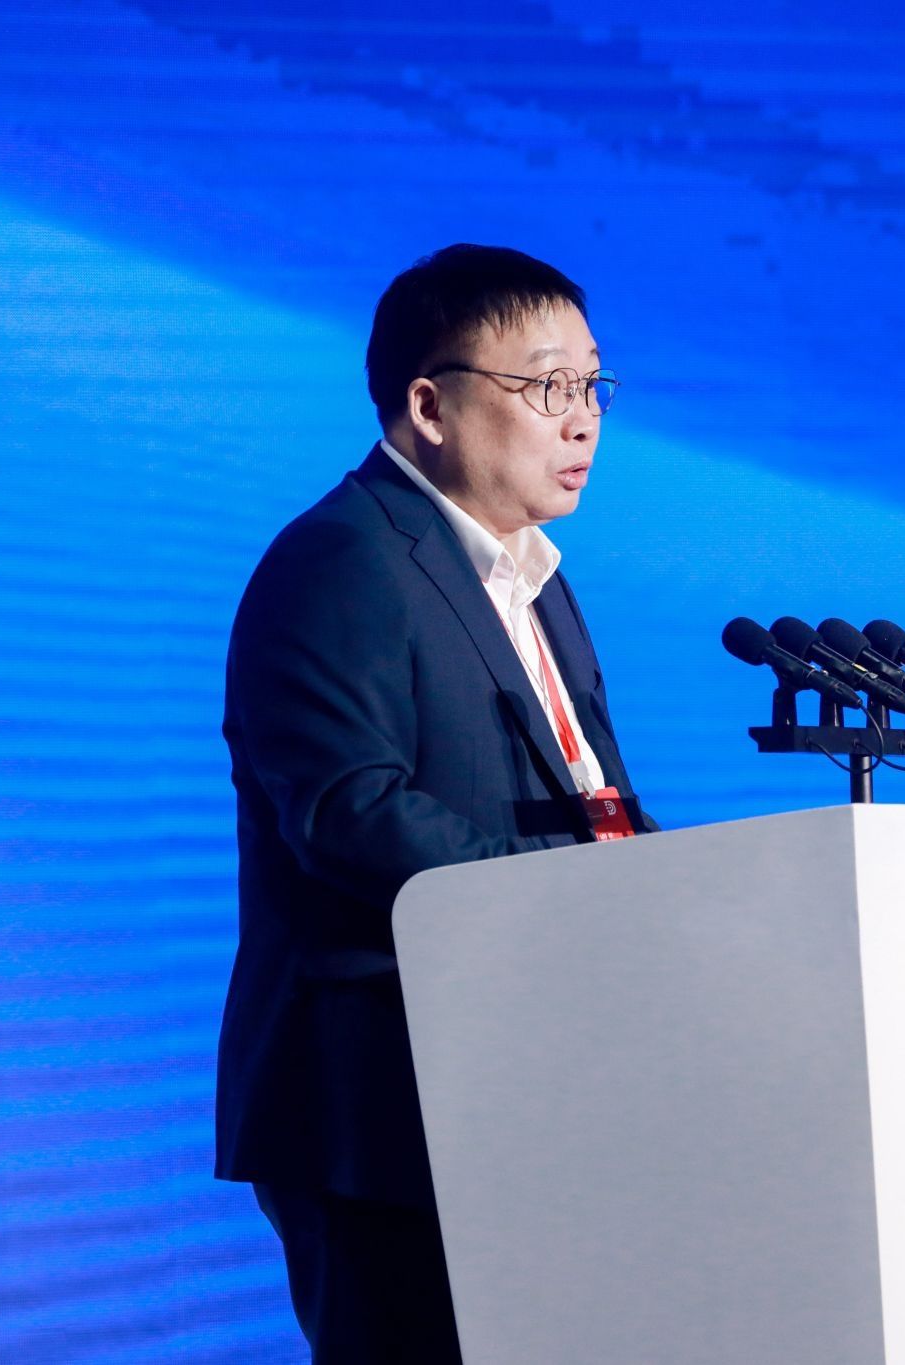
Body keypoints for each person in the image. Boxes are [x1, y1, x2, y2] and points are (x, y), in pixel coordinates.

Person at [215, 244, 657, 1363]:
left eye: (592, 384)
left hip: (522, 1079)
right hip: (380, 1103)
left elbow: (593, 798)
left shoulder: (533, 579)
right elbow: (349, 811)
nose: (583, 420)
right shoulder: (339, 560)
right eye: (547, 386)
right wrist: (581, 893)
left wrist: (677, 888)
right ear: (428, 406)